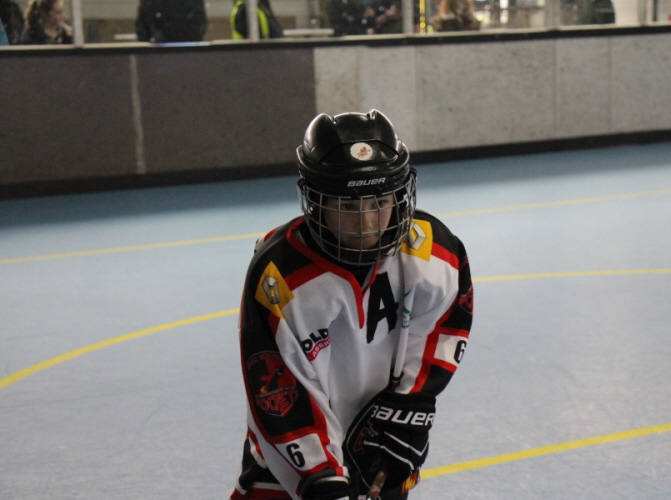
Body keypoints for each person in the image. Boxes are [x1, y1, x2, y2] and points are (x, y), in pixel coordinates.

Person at [229, 110, 474, 500]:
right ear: (316, 202)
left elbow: (444, 324)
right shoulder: (279, 277)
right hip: (290, 466)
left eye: (380, 201)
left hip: (381, 446)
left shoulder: (434, 249)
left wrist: (408, 411)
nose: (367, 223)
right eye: (346, 206)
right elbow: (278, 388)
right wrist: (321, 475)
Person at [135, 0, 206, 43]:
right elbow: (142, 25)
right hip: (155, 53)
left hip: (187, 51)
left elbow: (199, 24)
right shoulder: (149, 3)